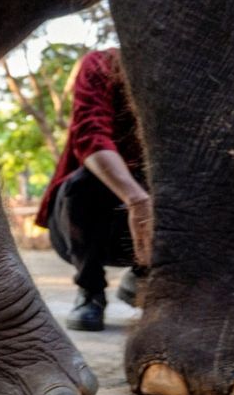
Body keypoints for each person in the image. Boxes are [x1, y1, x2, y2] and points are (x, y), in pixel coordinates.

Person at [36, 47, 153, 331]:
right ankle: (90, 291)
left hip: (150, 223)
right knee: (85, 183)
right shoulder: (101, 63)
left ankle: (145, 275)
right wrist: (136, 199)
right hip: (81, 224)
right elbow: (91, 136)